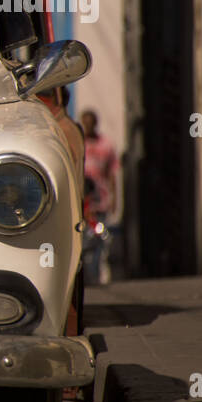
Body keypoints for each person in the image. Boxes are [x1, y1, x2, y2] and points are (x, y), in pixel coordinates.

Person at [80, 109, 118, 284]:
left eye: (90, 123)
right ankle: (86, 276)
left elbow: (111, 174)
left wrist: (114, 199)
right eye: (84, 123)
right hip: (82, 204)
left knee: (100, 240)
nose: (87, 127)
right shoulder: (77, 144)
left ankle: (95, 277)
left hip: (100, 203)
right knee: (84, 241)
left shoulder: (106, 145)